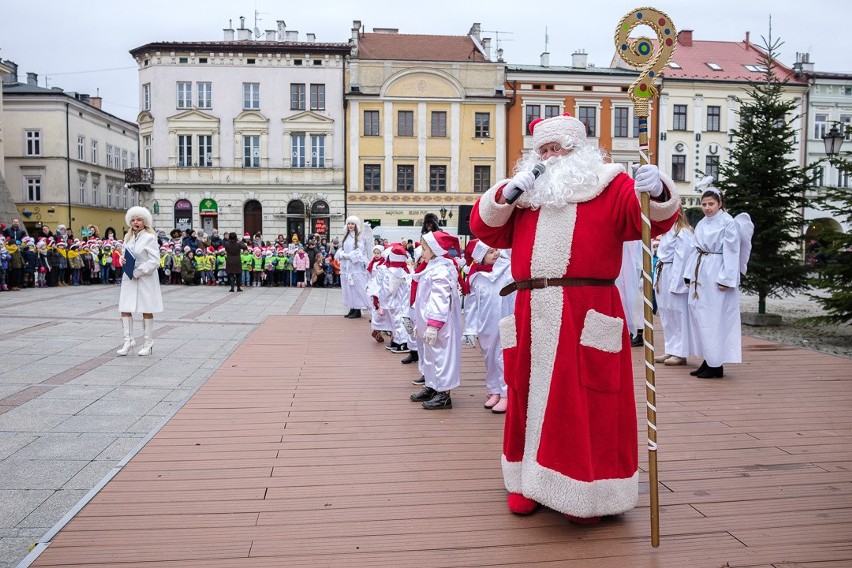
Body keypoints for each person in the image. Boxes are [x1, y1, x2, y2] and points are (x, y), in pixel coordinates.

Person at [469, 113, 680, 521]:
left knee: (584, 401)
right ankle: (526, 481)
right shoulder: (526, 195)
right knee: (525, 395)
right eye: (543, 150)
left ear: (578, 150)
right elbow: (485, 229)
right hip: (531, 308)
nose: (551, 157)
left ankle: (585, 490)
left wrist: (657, 191)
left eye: (558, 148)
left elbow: (651, 222)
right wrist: (508, 193)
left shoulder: (609, 183)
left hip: (586, 310)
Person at [683, 181, 753, 379]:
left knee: (714, 318)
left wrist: (727, 278)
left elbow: (732, 251)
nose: (706, 208)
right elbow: (696, 249)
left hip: (716, 273)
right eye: (704, 204)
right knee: (700, 316)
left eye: (710, 204)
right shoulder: (703, 222)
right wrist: (689, 275)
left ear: (719, 204)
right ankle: (708, 359)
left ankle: (716, 364)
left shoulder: (728, 223)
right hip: (702, 272)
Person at [408, 231, 462, 410]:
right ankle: (432, 385)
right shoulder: (431, 266)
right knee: (430, 356)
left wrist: (433, 324)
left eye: (424, 249)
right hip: (428, 322)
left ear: (435, 250)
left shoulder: (441, 270)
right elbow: (422, 297)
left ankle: (444, 394)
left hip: (439, 324)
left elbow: (439, 299)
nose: (421, 252)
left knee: (441, 357)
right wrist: (419, 322)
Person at [462, 240, 515, 414]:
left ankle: (506, 394)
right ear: (480, 257)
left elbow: (510, 254)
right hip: (485, 326)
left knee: (502, 358)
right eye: (491, 251)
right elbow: (471, 305)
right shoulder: (476, 278)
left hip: (504, 321)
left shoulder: (506, 271)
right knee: (489, 359)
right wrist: (470, 329)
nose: (496, 254)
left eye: (496, 250)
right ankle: (494, 390)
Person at [117, 206, 163, 356]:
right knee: (125, 307)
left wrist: (139, 271)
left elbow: (155, 261)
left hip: (145, 277)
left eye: (139, 219)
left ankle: (148, 343)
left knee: (146, 309)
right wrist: (121, 259)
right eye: (133, 219)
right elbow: (125, 254)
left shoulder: (150, 238)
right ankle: (128, 340)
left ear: (145, 222)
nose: (135, 222)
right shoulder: (128, 237)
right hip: (129, 276)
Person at [654, 208, 695, 366]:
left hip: (674, 273)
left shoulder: (683, 232)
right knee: (666, 312)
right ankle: (670, 348)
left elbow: (682, 258)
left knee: (678, 314)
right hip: (664, 271)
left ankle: (681, 352)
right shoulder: (667, 231)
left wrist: (677, 283)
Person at [336, 216, 372, 318]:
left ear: (356, 225)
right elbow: (342, 248)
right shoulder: (346, 236)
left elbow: (360, 251)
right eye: (349, 223)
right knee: (348, 288)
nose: (350, 226)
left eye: (352, 224)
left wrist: (347, 256)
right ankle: (352, 307)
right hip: (346, 267)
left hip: (355, 267)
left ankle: (357, 309)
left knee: (356, 287)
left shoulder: (359, 236)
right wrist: (341, 253)